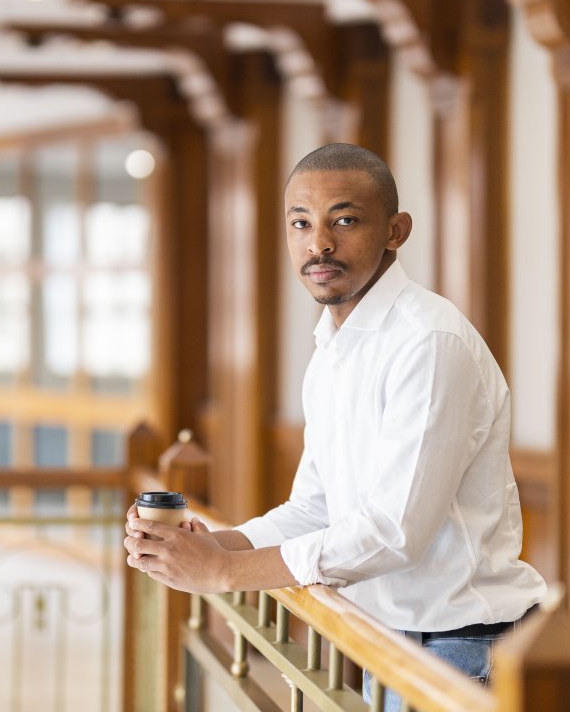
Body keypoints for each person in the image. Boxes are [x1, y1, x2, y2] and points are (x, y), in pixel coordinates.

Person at [123, 143, 546, 708]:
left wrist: (226, 573)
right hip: (386, 640)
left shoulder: (429, 341)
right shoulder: (332, 348)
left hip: (463, 649)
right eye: (301, 223)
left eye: (344, 220)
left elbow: (395, 531)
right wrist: (213, 546)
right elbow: (315, 507)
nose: (318, 243)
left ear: (396, 230)